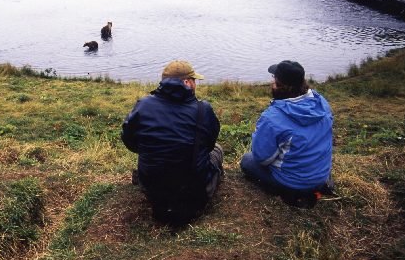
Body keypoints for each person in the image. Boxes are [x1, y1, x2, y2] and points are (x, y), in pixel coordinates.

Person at [122, 60, 223, 225]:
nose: (195, 84)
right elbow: (209, 145)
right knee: (218, 150)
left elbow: (129, 141)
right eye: (194, 80)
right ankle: (209, 182)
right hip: (192, 195)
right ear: (187, 82)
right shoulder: (203, 110)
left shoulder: (143, 106)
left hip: (152, 190)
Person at [240, 60, 334, 208]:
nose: (272, 83)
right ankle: (317, 185)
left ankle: (291, 193)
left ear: (282, 87)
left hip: (293, 183)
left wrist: (259, 134)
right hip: (321, 175)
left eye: (275, 81)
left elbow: (262, 158)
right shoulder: (322, 103)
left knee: (247, 160)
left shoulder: (272, 118)